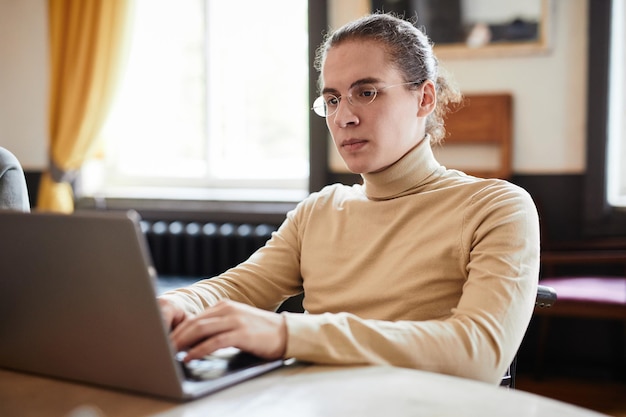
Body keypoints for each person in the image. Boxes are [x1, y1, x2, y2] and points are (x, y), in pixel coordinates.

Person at [158, 13, 540, 385]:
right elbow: (237, 288)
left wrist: (290, 334)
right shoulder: (319, 210)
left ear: (424, 98)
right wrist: (174, 305)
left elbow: (480, 355)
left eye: (366, 92)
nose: (344, 117)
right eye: (333, 99)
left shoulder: (496, 207)